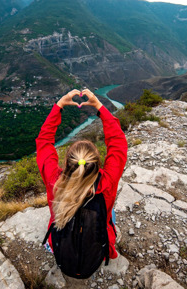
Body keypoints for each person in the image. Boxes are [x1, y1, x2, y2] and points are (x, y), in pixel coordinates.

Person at [36, 88, 127, 260]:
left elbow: (44, 141)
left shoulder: (54, 181)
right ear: (97, 163)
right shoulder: (106, 183)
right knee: (110, 211)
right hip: (96, 253)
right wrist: (99, 106)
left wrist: (59, 106)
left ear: (67, 163)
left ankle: (54, 247)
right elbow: (118, 142)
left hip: (60, 251)